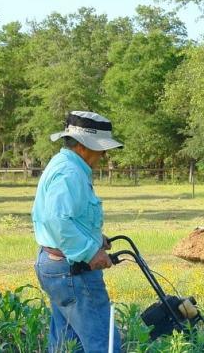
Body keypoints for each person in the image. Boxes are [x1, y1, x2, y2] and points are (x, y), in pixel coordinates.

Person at [32, 111, 124, 352]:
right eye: (102, 149)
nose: (104, 155)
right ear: (83, 145)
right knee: (104, 343)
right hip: (72, 270)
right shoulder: (70, 173)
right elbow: (56, 218)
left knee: (67, 344)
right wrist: (89, 251)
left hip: (57, 265)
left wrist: (94, 238)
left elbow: (70, 216)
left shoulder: (63, 164)